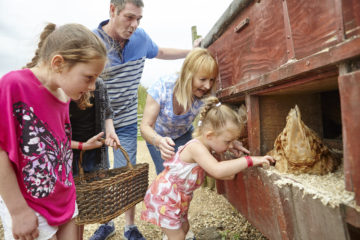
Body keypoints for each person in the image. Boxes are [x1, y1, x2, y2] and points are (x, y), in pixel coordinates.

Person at [92, 0, 200, 239]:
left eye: (138, 19)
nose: (134, 24)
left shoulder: (140, 39)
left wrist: (192, 53)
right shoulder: (91, 42)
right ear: (112, 10)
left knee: (126, 173)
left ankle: (130, 226)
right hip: (95, 121)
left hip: (127, 120)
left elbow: (160, 52)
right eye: (129, 17)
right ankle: (105, 222)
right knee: (97, 174)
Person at [0, 23, 107, 240]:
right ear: (58, 63)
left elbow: (55, 144)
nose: (93, 87)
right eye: (89, 77)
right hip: (29, 205)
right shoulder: (13, 85)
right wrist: (18, 210)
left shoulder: (63, 94)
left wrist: (82, 146)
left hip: (65, 198)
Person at [141, 96, 275, 240]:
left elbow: (226, 175)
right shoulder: (196, 148)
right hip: (165, 197)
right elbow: (218, 170)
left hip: (178, 199)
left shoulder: (206, 147)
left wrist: (232, 151)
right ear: (209, 135)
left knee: (184, 229)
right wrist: (250, 160)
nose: (231, 145)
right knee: (178, 235)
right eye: (228, 141)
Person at [140, 47, 220, 175]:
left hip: (184, 135)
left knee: (186, 175)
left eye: (211, 80)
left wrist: (231, 140)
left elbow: (219, 122)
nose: (208, 86)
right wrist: (159, 141)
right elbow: (145, 126)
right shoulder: (162, 87)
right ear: (188, 75)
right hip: (158, 136)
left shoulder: (205, 95)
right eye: (203, 79)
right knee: (166, 176)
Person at [70, 78, 120, 240]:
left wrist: (110, 131)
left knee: (84, 200)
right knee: (72, 202)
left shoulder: (98, 85)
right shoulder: (61, 89)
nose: (91, 84)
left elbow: (107, 113)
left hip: (95, 151)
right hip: (69, 152)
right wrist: (81, 146)